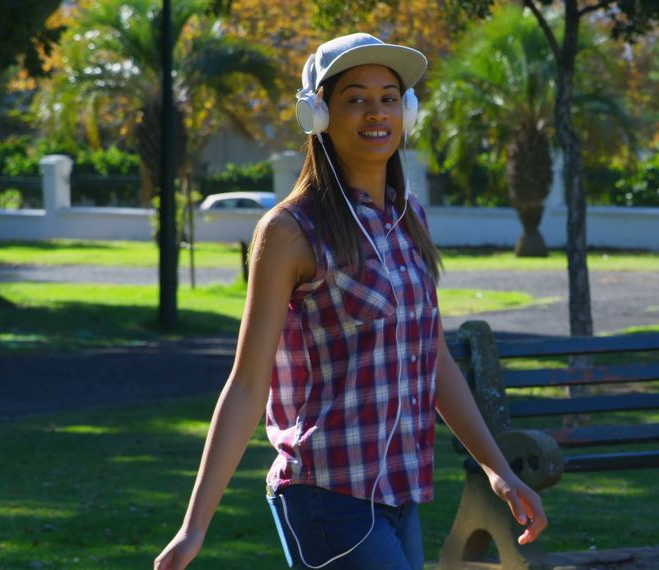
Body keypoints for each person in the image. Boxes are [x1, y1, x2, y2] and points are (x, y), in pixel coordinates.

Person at [153, 33, 547, 570]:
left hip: (399, 495)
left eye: (389, 97)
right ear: (318, 114)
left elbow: (433, 361)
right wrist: (194, 526)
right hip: (325, 496)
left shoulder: (408, 219)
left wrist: (498, 468)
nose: (376, 112)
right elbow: (248, 383)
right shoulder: (290, 231)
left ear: (407, 110)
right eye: (355, 98)